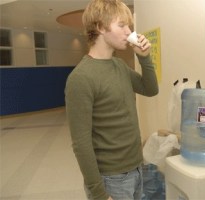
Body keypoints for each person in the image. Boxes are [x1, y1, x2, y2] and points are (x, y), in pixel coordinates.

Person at [64, 0, 159, 199]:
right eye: (122, 25)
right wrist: (99, 194)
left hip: (136, 167)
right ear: (100, 27)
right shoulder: (80, 78)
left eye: (129, 26)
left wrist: (144, 58)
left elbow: (150, 89)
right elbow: (81, 143)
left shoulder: (119, 65)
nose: (129, 32)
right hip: (110, 179)